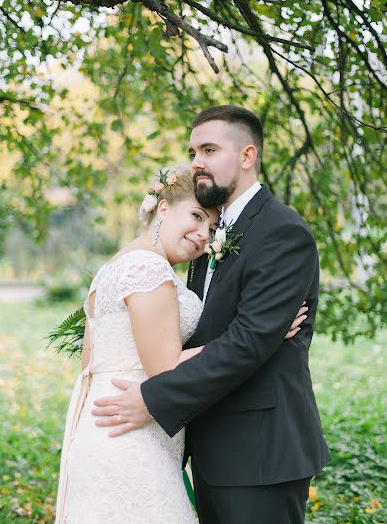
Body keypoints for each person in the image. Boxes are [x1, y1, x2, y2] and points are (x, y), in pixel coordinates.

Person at [92, 106, 330, 524]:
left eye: (209, 149)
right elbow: (207, 330)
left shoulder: (281, 232)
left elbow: (248, 342)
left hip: (259, 454)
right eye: (193, 151)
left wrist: (153, 398)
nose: (196, 162)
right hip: (210, 447)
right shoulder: (209, 239)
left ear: (247, 156)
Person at [54, 163, 305, 523]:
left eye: (211, 227)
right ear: (164, 207)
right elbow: (165, 368)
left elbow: (89, 362)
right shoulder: (148, 269)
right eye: (196, 216)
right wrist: (263, 331)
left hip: (103, 427)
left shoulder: (115, 265)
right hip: (131, 435)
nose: (203, 234)